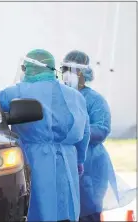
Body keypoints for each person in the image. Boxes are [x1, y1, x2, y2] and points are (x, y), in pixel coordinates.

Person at [0, 49, 90, 222]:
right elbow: (85, 133)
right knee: (65, 207)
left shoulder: (17, 92)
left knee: (37, 207)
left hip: (34, 157)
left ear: (29, 68)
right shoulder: (76, 96)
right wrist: (79, 160)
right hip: (67, 160)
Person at [61, 50, 117, 221]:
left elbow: (102, 129)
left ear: (83, 73)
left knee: (88, 211)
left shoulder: (95, 100)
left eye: (72, 70)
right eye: (64, 69)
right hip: (66, 160)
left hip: (91, 163)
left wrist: (76, 132)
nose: (66, 75)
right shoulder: (60, 96)